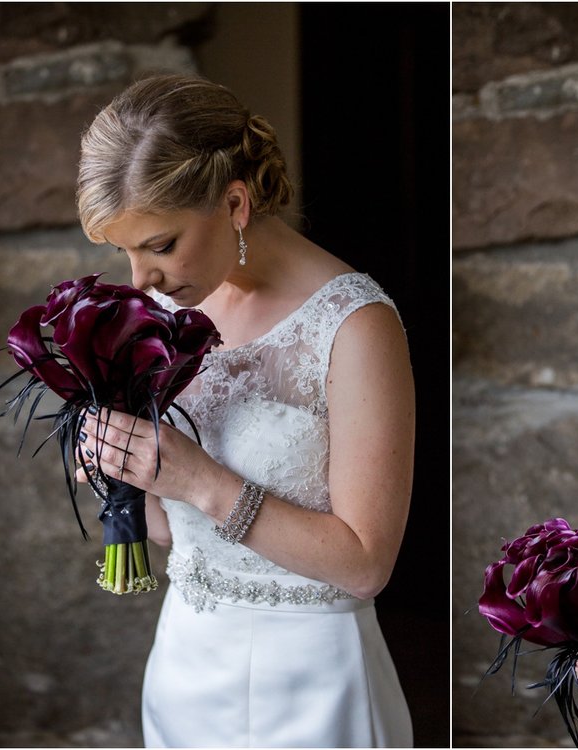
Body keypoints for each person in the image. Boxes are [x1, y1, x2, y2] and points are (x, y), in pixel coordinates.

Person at [73, 74, 416, 747]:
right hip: (185, 664)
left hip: (311, 685)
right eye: (125, 252)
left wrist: (198, 476)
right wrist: (124, 473)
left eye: (160, 245)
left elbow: (366, 564)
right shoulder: (167, 310)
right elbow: (176, 533)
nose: (140, 279)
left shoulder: (355, 325)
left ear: (235, 202)